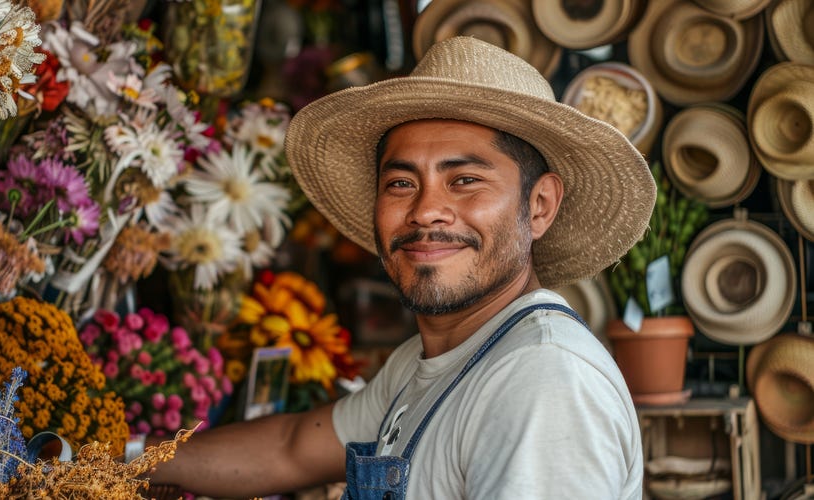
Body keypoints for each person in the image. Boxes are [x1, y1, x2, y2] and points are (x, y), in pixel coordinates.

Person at [147, 35, 656, 499]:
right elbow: (289, 447)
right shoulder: (430, 361)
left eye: (465, 181)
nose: (425, 210)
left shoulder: (541, 379)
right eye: (401, 184)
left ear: (539, 205)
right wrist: (114, 465)